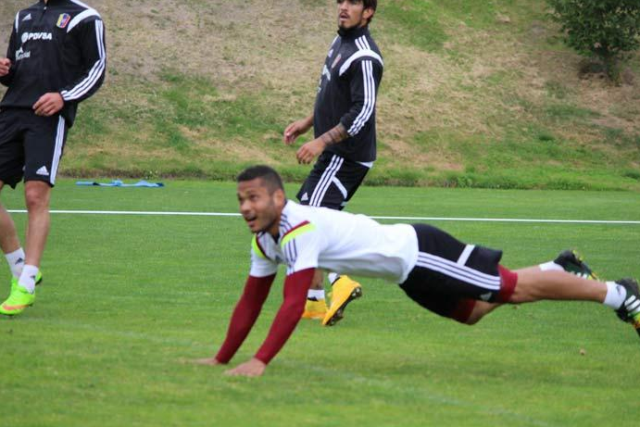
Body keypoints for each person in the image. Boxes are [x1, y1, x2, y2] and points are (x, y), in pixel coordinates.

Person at [195, 165, 640, 377]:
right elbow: (251, 299)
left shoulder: (298, 228)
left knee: (512, 289)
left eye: (254, 197)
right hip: (408, 274)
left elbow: (294, 303)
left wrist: (259, 360)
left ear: (277, 198)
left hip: (422, 251)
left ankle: (622, 296)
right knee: (473, 313)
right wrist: (220, 358)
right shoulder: (265, 240)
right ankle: (558, 267)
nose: (246, 207)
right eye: (240, 200)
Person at [0, 0, 106, 316]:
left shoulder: (85, 17)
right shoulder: (24, 16)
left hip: (47, 117)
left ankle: (26, 285)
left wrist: (64, 97)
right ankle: (20, 265)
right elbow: (18, 67)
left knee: (35, 196)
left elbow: (97, 68)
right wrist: (5, 70)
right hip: (11, 112)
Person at [283, 0, 383, 326]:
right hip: (336, 151)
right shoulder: (340, 40)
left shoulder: (365, 57)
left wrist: (321, 140)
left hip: (347, 155)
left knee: (310, 217)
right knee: (315, 216)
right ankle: (313, 303)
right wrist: (306, 123)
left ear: (368, 11)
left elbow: (362, 111)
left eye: (352, 2)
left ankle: (341, 280)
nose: (343, 7)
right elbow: (331, 95)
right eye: (340, 0)